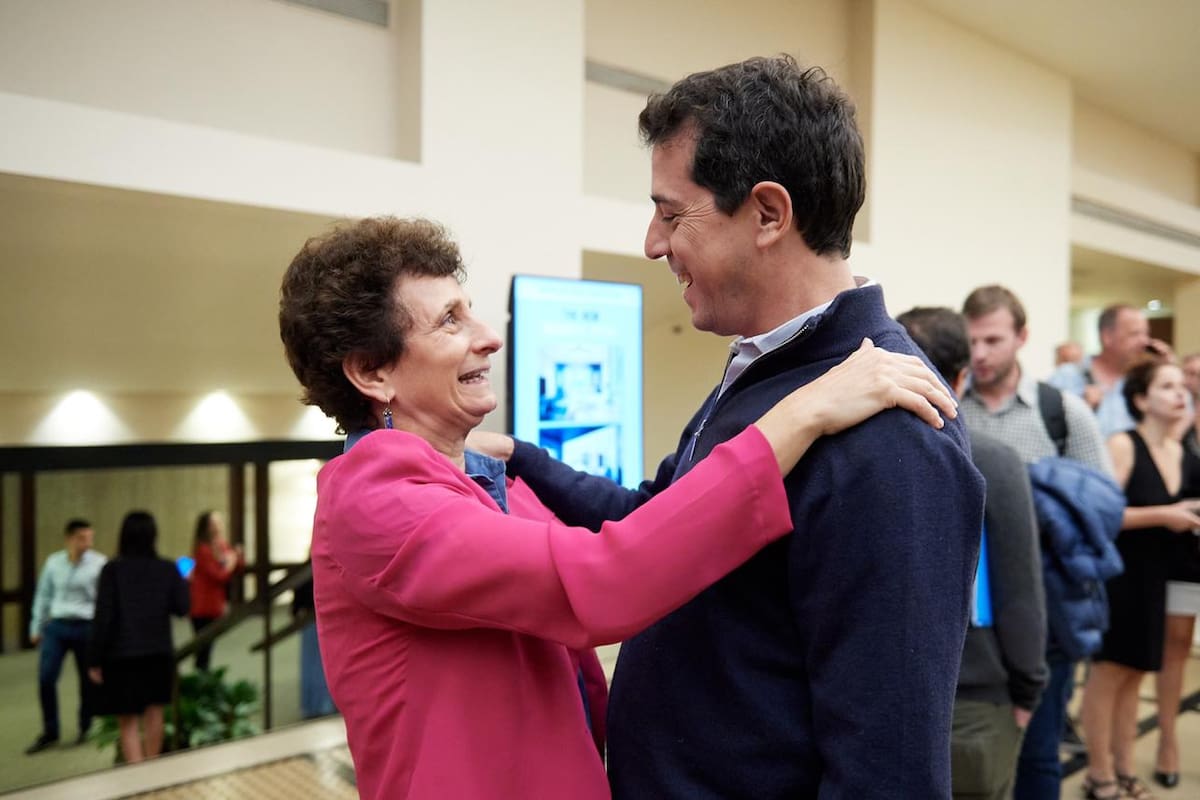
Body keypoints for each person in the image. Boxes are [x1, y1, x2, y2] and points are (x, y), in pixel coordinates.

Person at [277, 214, 959, 800]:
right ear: (373, 372)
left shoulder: (488, 483)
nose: (487, 336)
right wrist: (798, 417)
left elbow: (638, 526)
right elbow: (605, 576)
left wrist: (524, 458)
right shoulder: (374, 503)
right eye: (449, 322)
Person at [474, 57, 984, 799]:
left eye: (673, 213)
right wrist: (524, 457)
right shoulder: (765, 374)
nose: (653, 242)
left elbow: (890, 765)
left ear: (769, 214)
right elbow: (662, 521)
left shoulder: (889, 433)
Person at [959, 285, 1113, 800]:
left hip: (1046, 610)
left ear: (1022, 338)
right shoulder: (951, 407)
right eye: (972, 341)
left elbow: (1103, 507)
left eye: (993, 340)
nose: (980, 353)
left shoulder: (1063, 412)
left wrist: (1034, 500)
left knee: (1040, 754)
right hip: (974, 621)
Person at [898, 306, 1048, 800]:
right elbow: (1020, 593)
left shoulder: (834, 448)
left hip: (865, 701)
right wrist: (1028, 689)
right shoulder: (992, 461)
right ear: (962, 377)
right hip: (973, 703)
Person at [1079, 359, 1200, 800]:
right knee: (1109, 675)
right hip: (1121, 578)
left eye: (1180, 386)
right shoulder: (1123, 445)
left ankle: (1125, 767)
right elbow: (1103, 515)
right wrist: (1166, 515)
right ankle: (1099, 773)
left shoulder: (1183, 452)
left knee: (1135, 677)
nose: (1180, 393)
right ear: (1141, 399)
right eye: (1166, 386)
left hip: (1157, 581)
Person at [87, 511, 190, 764]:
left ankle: (135, 774)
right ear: (154, 535)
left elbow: (104, 617)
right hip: (158, 651)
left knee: (128, 719)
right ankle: (151, 773)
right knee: (155, 712)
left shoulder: (111, 570)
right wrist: (184, 580)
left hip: (122, 654)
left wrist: (94, 658)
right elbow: (182, 607)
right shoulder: (167, 568)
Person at [1155, 351, 1200, 788]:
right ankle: (1168, 740)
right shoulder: (1174, 430)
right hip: (1184, 558)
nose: (1191, 383)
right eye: (1186, 376)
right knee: (1176, 647)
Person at [26, 518, 107, 754]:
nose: (87, 543)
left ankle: (85, 725)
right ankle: (50, 731)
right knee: (46, 677)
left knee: (87, 679)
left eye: (90, 538)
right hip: (57, 626)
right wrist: (35, 627)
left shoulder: (99, 564)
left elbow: (104, 602)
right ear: (69, 539)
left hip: (86, 626)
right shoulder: (54, 563)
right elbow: (43, 596)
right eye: (82, 538)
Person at [1049, 304, 1171, 438]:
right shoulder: (1067, 376)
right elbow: (1046, 429)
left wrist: (1167, 372)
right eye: (1134, 334)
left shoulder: (1145, 381)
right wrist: (1082, 410)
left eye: (1146, 334)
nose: (1145, 341)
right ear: (1107, 336)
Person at [188, 510, 242, 671]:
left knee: (208, 649)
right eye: (215, 523)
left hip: (214, 606)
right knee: (203, 650)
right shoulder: (203, 550)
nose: (219, 526)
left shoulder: (221, 545)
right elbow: (219, 575)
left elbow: (236, 565)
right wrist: (231, 561)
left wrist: (235, 558)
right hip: (202, 607)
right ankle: (200, 685)